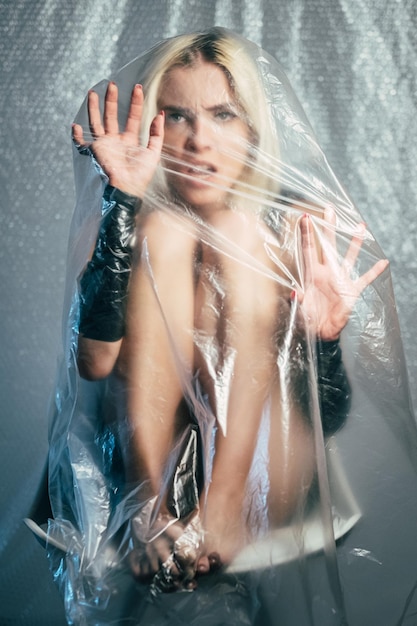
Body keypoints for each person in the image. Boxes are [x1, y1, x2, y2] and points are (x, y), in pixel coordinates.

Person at [70, 29, 388, 592]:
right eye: (177, 116)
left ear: (252, 130)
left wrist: (323, 340)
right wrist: (122, 204)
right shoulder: (126, 224)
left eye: (222, 115)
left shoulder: (292, 226)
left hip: (265, 477)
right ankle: (152, 509)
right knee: (164, 230)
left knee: (236, 232)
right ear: (151, 126)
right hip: (148, 469)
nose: (199, 141)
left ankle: (223, 504)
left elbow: (327, 419)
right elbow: (94, 364)